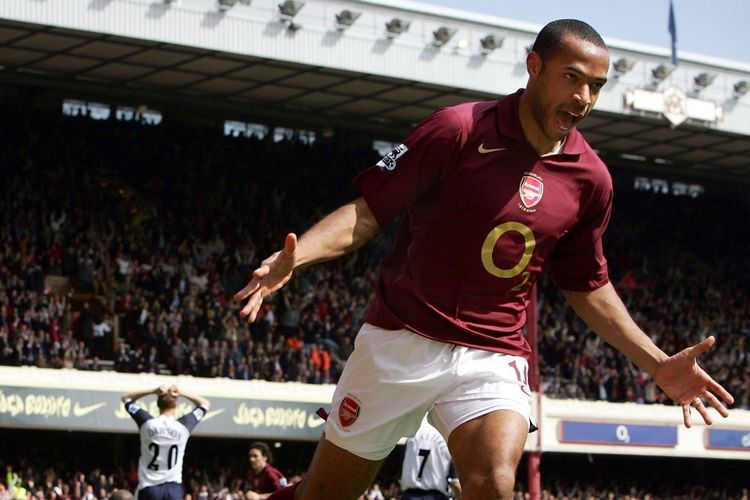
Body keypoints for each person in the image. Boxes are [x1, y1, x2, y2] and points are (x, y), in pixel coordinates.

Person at [234, 19, 734, 500]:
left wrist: (658, 364)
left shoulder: (592, 180)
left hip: (494, 353)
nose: (583, 98)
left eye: (596, 86)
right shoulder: (457, 130)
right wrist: (295, 260)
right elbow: (368, 213)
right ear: (533, 65)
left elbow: (586, 284)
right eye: (571, 78)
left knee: (493, 480)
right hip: (401, 341)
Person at [121, 384, 210, 500]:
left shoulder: (146, 423)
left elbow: (126, 398)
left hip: (149, 488)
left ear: (157, 405)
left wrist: (153, 390)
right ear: (176, 406)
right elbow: (205, 404)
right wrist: (181, 392)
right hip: (173, 489)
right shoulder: (184, 426)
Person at [399, 422, 460, 500]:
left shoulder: (412, 435)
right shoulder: (446, 438)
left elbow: (402, 466)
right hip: (435, 496)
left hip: (408, 495)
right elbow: (455, 482)